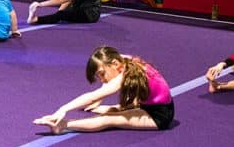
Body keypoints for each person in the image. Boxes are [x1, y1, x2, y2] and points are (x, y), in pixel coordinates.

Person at [34, 46, 174, 134]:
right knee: (109, 109)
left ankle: (63, 126)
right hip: (147, 103)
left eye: (101, 74)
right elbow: (104, 87)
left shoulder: (122, 78)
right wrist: (99, 99)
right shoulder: (123, 59)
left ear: (115, 64)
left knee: (108, 119)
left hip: (160, 115)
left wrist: (62, 110)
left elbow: (91, 96)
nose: (101, 79)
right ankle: (121, 108)